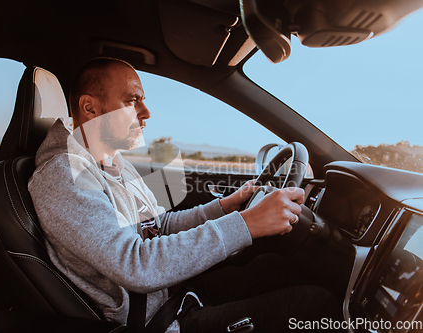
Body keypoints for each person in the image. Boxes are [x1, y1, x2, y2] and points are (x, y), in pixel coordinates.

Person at [28, 58, 343, 332]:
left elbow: (155, 226)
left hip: (172, 293)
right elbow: (135, 265)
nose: (146, 112)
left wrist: (223, 208)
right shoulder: (65, 174)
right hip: (157, 321)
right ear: (89, 107)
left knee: (279, 268)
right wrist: (247, 224)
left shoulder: (110, 161)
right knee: (316, 305)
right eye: (131, 101)